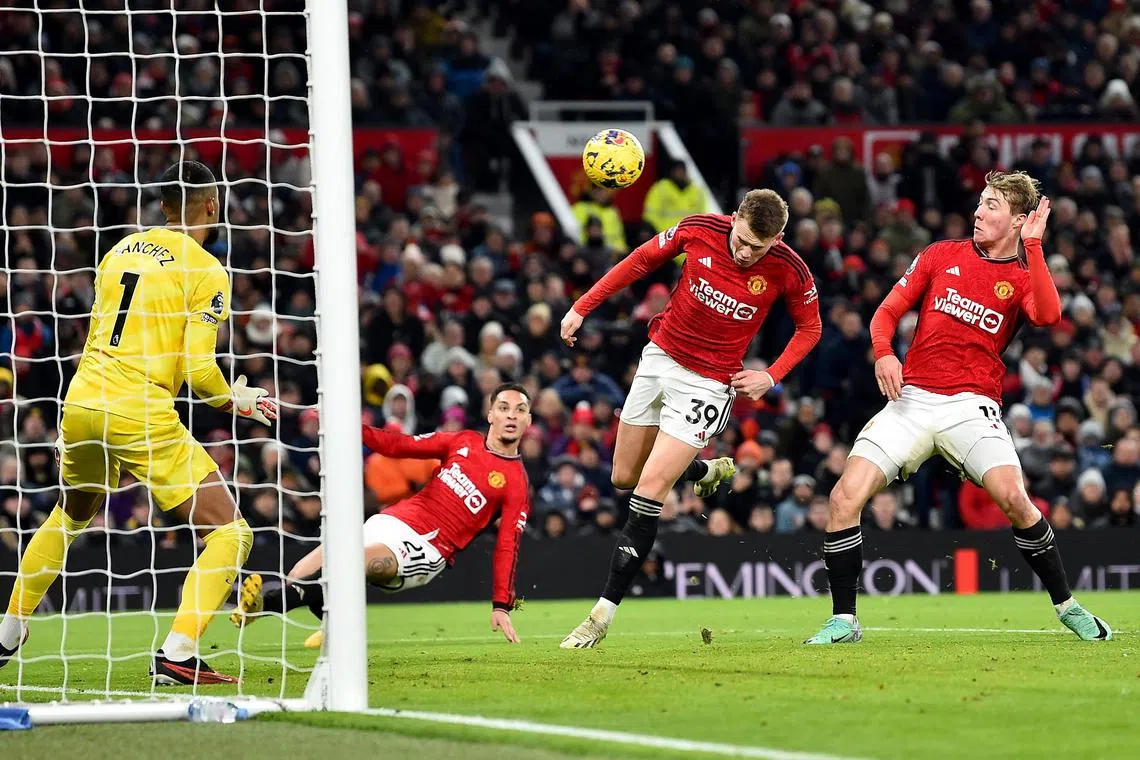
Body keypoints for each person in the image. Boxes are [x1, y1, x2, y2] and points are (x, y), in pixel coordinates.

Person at [0, 161, 278, 684]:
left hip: (82, 399)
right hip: (139, 409)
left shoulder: (119, 251)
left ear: (162, 206)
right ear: (212, 206)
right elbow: (198, 370)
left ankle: (7, 631)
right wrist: (236, 399)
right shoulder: (205, 268)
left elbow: (96, 333)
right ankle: (178, 653)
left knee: (71, 513)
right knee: (229, 531)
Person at [806, 171, 1112, 644]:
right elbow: (885, 313)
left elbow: (1049, 316)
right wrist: (885, 352)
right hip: (912, 399)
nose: (978, 211)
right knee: (844, 497)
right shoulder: (940, 254)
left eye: (991, 206)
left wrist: (1035, 248)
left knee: (1015, 498)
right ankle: (844, 620)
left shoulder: (1022, 274)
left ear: (1018, 220)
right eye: (980, 202)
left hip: (972, 406)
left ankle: (1067, 606)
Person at [558, 190, 822, 648]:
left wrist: (771, 376)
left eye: (757, 247)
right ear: (734, 217)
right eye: (741, 239)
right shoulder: (699, 228)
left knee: (648, 492)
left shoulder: (789, 268)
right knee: (623, 475)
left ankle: (601, 615)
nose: (744, 252)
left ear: (776, 238)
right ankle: (703, 469)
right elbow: (640, 261)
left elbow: (811, 327)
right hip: (659, 358)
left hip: (708, 384)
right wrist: (583, 305)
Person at [232, 383, 532, 647]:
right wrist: (351, 425)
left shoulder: (516, 482)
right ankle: (335, 629)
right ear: (491, 414)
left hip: (426, 547)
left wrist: (501, 604)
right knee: (299, 573)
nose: (511, 416)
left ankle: (263, 603)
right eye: (504, 408)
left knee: (346, 567)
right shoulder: (463, 441)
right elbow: (398, 444)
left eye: (520, 410)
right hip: (390, 522)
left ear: (528, 420)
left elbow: (508, 545)